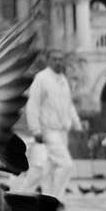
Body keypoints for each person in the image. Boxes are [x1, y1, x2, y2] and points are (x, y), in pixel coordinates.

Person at [23, 54, 78, 195]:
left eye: (60, 59)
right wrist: (35, 129)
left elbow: (68, 104)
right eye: (55, 59)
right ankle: (55, 198)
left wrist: (76, 123)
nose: (58, 62)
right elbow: (33, 104)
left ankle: (47, 199)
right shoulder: (42, 78)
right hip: (48, 130)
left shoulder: (63, 80)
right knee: (66, 164)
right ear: (49, 61)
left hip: (62, 131)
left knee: (48, 168)